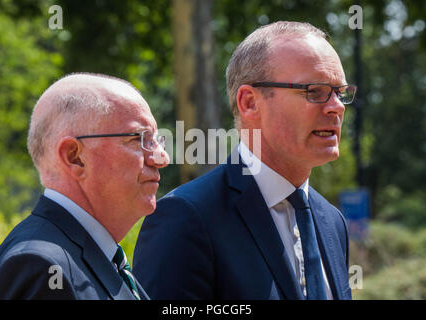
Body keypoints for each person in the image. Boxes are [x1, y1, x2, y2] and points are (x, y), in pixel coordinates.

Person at [133, 21, 356, 300]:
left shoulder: (332, 221)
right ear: (249, 102)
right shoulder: (186, 218)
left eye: (341, 93)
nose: (336, 107)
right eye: (315, 91)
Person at [0, 73, 169, 299]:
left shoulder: (94, 257)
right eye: (138, 139)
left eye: (156, 141)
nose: (162, 158)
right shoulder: (41, 266)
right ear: (75, 157)